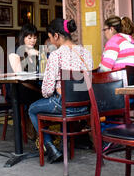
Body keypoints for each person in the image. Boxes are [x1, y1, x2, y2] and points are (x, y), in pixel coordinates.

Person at [28, 18, 93, 163]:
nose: (51, 42)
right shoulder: (86, 53)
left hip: (63, 106)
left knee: (32, 108)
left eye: (50, 38)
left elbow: (46, 91)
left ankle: (51, 148)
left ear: (56, 36)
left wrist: (49, 91)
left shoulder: (56, 55)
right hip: (85, 107)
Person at [8, 24, 42, 140]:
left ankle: (40, 132)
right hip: (18, 88)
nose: (33, 40)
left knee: (48, 93)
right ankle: (38, 133)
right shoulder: (15, 52)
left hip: (31, 86)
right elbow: (19, 74)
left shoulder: (35, 51)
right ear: (23, 37)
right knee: (41, 96)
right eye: (29, 37)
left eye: (35, 37)